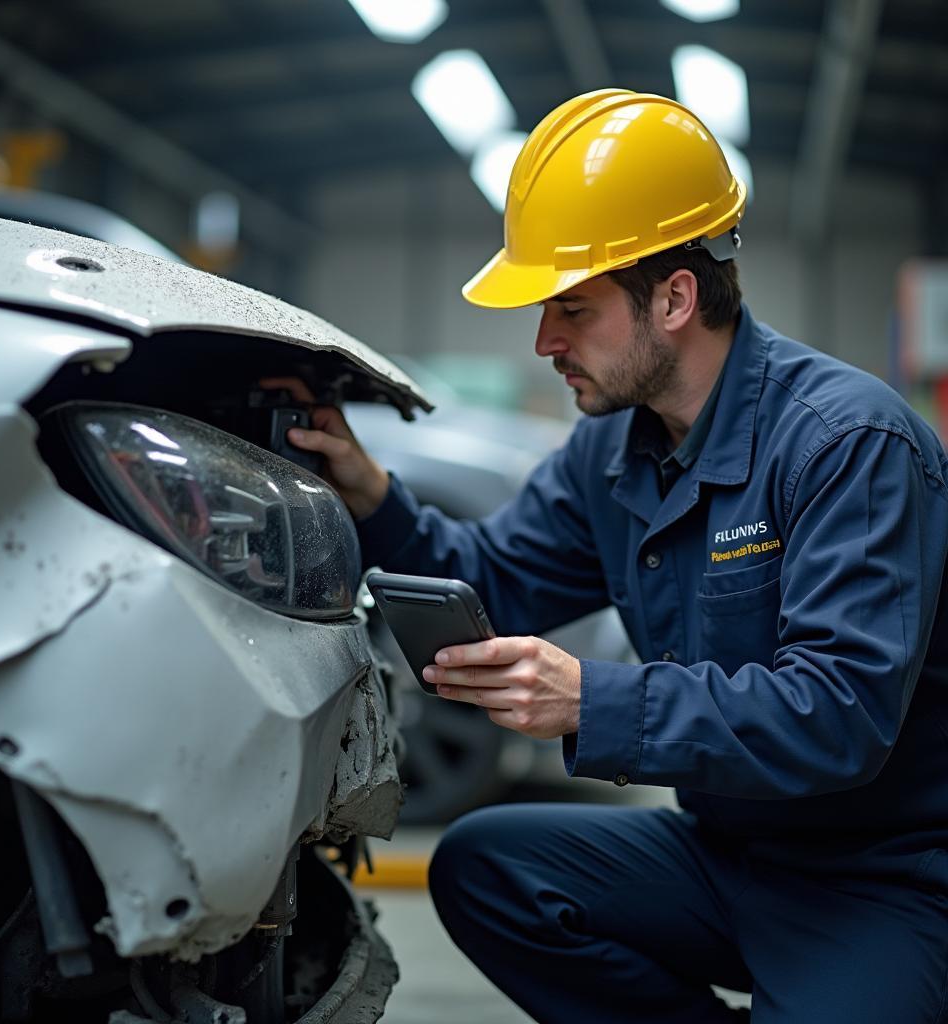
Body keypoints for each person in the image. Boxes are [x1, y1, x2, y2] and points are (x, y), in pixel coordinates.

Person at [281, 89, 948, 1023]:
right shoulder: (612, 450)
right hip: (726, 857)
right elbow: (496, 585)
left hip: (880, 879)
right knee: (485, 867)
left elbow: (839, 714)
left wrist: (593, 699)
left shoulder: (848, 446)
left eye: (572, 308)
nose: (546, 341)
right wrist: (367, 491)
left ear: (675, 296)